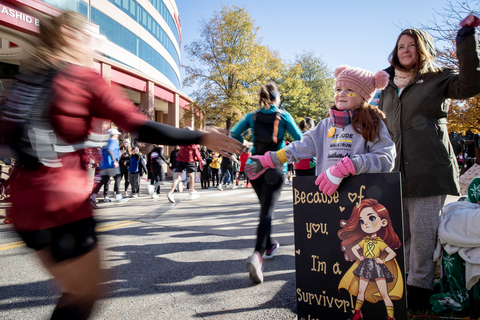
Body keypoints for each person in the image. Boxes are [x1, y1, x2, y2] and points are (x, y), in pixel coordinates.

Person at [3, 9, 242, 320]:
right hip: (63, 205)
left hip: (22, 209)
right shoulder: (82, 78)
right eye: (91, 37)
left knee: (73, 289)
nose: (95, 45)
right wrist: (200, 136)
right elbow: (139, 125)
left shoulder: (26, 82)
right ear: (69, 36)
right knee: (86, 292)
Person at [245, 69, 396, 281]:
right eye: (338, 89)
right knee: (332, 251)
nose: (341, 94)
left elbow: (386, 159)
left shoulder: (373, 124)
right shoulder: (325, 125)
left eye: (350, 90)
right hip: (328, 202)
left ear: (364, 95)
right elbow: (298, 147)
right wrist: (269, 159)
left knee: (358, 254)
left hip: (360, 206)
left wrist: (349, 166)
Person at [377, 20, 480, 308]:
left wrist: (465, 37)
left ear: (422, 49)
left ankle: (418, 291)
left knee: (422, 236)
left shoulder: (438, 78)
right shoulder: (384, 84)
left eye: (411, 45)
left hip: (428, 170)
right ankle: (405, 284)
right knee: (400, 235)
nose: (405, 50)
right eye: (401, 46)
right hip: (393, 173)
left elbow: (472, 84)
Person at [230, 81, 302, 283]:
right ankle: (257, 255)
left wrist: (246, 145)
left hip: (253, 167)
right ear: (277, 98)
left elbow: (234, 133)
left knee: (264, 209)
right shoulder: (284, 116)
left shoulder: (251, 116)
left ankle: (269, 245)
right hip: (274, 165)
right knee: (267, 211)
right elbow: (299, 138)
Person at [338, 199, 403, 320]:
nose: (365, 224)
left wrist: (383, 261)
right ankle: (357, 313)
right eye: (362, 221)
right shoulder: (365, 240)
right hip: (366, 265)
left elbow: (392, 253)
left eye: (371, 219)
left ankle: (391, 317)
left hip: (377, 267)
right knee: (360, 291)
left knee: (384, 293)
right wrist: (360, 257)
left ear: (383, 222)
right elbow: (354, 249)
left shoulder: (380, 242)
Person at [91, 128, 129, 204]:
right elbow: (110, 150)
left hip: (104, 165)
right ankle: (118, 197)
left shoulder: (106, 141)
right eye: (117, 134)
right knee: (118, 177)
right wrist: (114, 161)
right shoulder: (113, 141)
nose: (117, 136)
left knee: (102, 181)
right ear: (114, 134)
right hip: (111, 164)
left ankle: (92, 198)